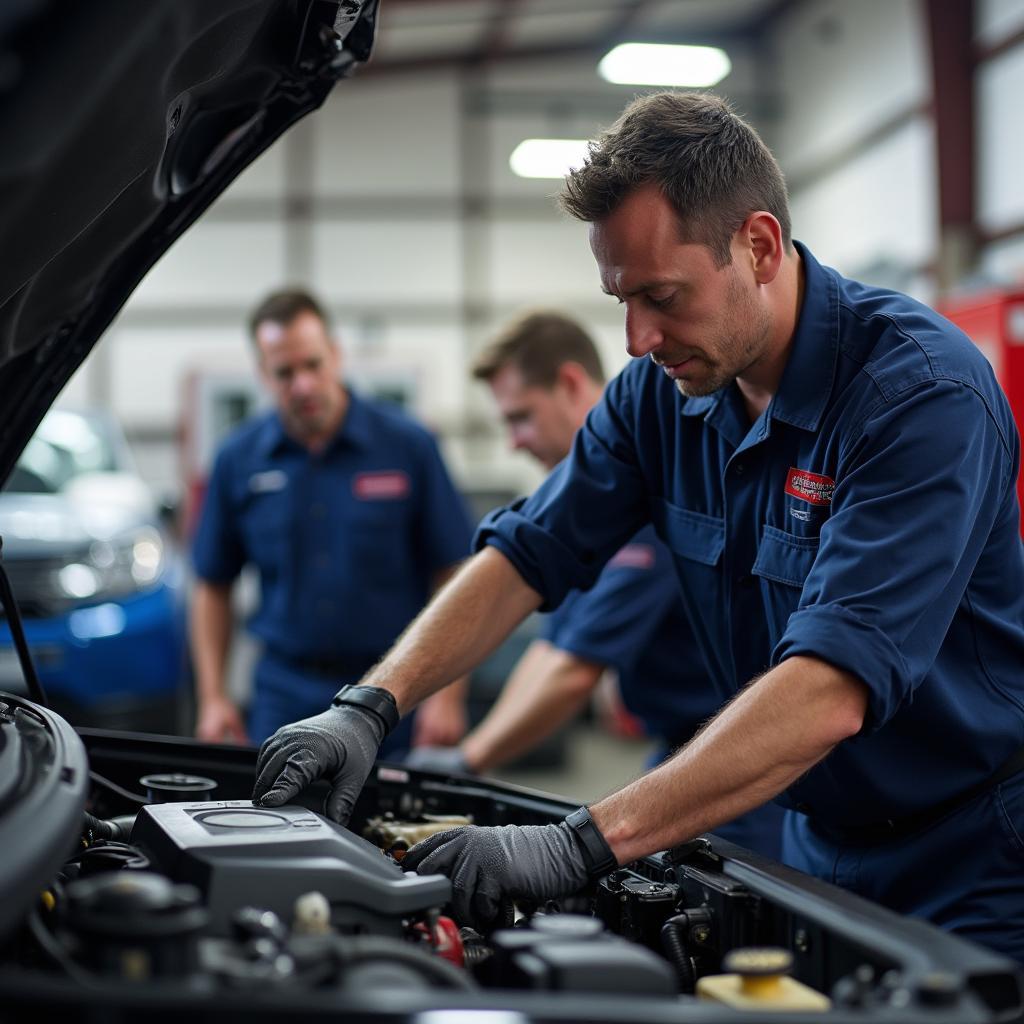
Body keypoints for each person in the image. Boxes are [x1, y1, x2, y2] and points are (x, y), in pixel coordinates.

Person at [251, 95, 1024, 960]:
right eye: (620, 298)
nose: (635, 338)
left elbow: (829, 688)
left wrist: (578, 842)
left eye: (661, 295)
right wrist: (369, 708)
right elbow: (525, 554)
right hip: (810, 837)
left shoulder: (919, 398)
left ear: (759, 247)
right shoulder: (662, 393)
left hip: (974, 853)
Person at [407, 310, 784, 857]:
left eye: (521, 418)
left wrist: (470, 761)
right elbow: (551, 649)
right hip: (678, 746)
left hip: (745, 762)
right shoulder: (580, 510)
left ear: (569, 384)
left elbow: (573, 671)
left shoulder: (647, 487)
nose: (513, 442)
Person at [191, 288, 473, 755]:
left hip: (393, 693)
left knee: (390, 828)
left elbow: (454, 573)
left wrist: (447, 695)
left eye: (312, 365)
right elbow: (212, 584)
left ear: (336, 356)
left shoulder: (409, 447)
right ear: (263, 374)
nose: (301, 385)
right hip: (284, 697)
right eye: (284, 373)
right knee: (278, 825)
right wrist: (212, 697)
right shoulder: (237, 460)